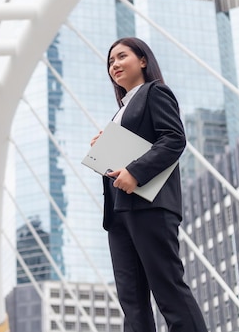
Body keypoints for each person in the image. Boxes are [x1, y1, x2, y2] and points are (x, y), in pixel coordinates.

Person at [90, 37, 207, 332]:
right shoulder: (120, 111)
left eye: (121, 57)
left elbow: (173, 139)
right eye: (110, 62)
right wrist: (104, 149)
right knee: (132, 303)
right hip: (119, 214)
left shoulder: (155, 92)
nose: (114, 65)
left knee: (167, 289)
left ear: (143, 60)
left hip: (149, 206)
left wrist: (135, 172)